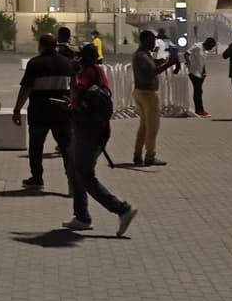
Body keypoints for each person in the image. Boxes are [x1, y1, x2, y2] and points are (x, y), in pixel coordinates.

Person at [65, 44, 139, 237]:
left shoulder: (87, 74)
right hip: (99, 130)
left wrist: (72, 75)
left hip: (87, 133)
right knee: (76, 170)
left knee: (85, 175)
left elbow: (75, 95)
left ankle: (121, 209)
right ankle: (81, 216)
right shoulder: (99, 72)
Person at [11, 33, 74, 189]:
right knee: (67, 148)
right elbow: (74, 87)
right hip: (62, 113)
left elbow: (26, 89)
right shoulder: (67, 63)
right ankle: (72, 180)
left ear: (41, 46)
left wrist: (17, 109)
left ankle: (37, 178)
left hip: (40, 112)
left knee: (36, 147)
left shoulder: (35, 64)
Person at [131, 30, 176, 165]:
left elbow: (149, 68)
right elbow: (151, 72)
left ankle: (137, 155)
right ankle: (150, 156)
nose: (153, 43)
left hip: (140, 92)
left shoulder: (142, 55)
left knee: (144, 126)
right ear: (144, 41)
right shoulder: (142, 56)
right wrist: (169, 64)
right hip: (148, 94)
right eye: (151, 41)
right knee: (152, 127)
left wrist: (159, 62)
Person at [184, 37, 215, 117]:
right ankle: (199, 110)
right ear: (207, 43)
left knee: (199, 91)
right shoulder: (197, 46)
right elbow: (186, 54)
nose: (210, 49)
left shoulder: (206, 51)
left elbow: (203, 62)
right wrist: (189, 63)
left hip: (200, 73)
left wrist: (204, 71)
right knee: (198, 90)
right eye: (210, 47)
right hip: (193, 72)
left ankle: (199, 109)